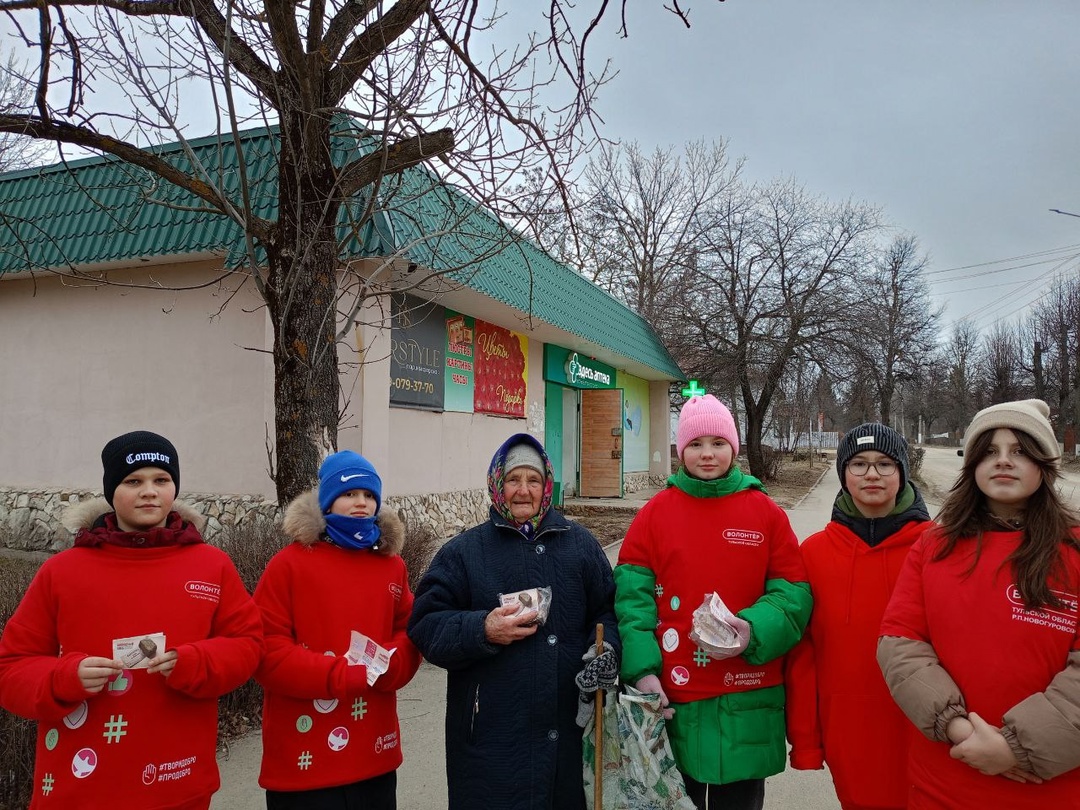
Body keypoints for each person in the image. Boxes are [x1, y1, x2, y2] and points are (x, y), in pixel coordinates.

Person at [0, 430, 263, 809]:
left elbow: (248, 644)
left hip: (177, 780)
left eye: (162, 480)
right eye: (133, 481)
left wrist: (197, 662)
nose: (149, 491)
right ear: (111, 491)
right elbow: (12, 668)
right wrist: (64, 678)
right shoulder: (62, 572)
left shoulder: (211, 565)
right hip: (82, 786)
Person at [878, 399, 1080, 808]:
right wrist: (958, 729)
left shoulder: (1073, 549)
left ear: (1045, 464)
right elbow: (900, 642)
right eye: (989, 451)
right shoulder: (934, 545)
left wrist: (1016, 748)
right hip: (946, 776)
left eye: (1020, 450)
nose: (1003, 461)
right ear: (971, 466)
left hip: (1049, 784)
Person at [615, 394, 812, 810]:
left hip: (745, 696)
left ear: (734, 448)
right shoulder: (654, 514)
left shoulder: (765, 513)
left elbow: (793, 593)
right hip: (673, 696)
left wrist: (753, 630)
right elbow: (633, 602)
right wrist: (642, 670)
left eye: (718, 443)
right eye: (696, 443)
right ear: (680, 449)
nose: (707, 454)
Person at [407, 433, 620, 810]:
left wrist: (604, 652)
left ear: (547, 486)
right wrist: (482, 629)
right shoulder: (464, 553)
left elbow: (607, 612)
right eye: (513, 480)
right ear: (497, 485)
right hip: (490, 743)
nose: (523, 491)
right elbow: (425, 625)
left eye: (533, 480)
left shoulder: (580, 545)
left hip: (568, 738)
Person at [253, 449, 421, 809]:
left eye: (369, 495)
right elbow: (266, 651)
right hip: (304, 760)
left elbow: (409, 631)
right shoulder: (288, 566)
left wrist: (394, 665)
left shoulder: (391, 566)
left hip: (374, 751)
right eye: (349, 494)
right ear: (327, 501)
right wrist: (341, 675)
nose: (361, 503)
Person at [786, 423, 931, 810]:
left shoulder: (939, 549)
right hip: (848, 732)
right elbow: (803, 655)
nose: (871, 474)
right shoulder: (814, 554)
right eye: (859, 464)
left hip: (924, 728)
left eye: (885, 463)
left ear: (902, 472)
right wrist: (806, 741)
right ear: (843, 474)